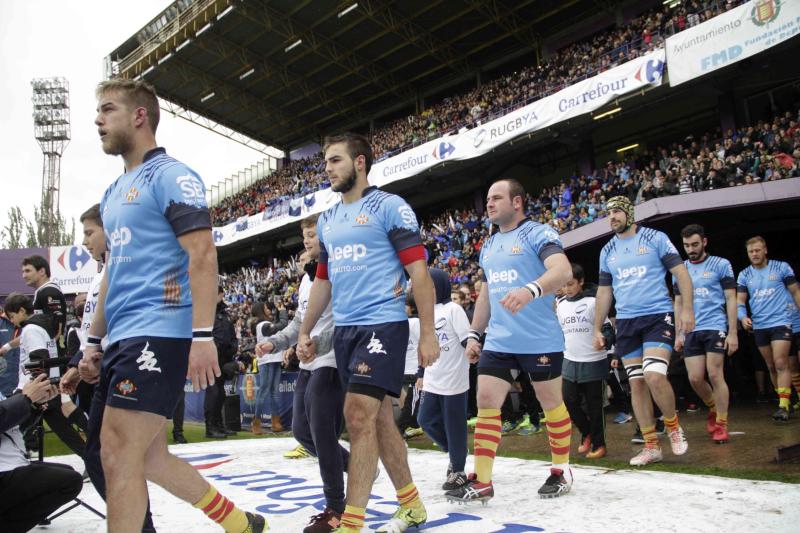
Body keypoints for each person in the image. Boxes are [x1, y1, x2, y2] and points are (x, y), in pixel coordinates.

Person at [81, 78, 264, 532]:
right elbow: (112, 274)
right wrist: (92, 340)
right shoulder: (112, 193)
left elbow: (202, 255)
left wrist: (202, 336)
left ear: (140, 116)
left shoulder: (171, 175)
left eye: (108, 110)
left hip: (159, 330)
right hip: (124, 334)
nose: (97, 120)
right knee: (150, 457)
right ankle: (240, 523)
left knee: (116, 452)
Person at [297, 132, 439, 533]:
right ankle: (411, 504)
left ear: (360, 162)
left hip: (383, 323)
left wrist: (427, 333)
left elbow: (419, 272)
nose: (328, 168)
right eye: (325, 161)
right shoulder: (327, 220)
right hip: (345, 331)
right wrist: (305, 331)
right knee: (377, 423)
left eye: (336, 160)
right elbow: (323, 282)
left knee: (356, 416)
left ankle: (351, 522)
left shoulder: (390, 207)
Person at [446, 178, 574, 504]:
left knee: (550, 404)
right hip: (501, 340)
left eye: (496, 198)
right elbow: (487, 293)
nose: (488, 204)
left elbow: (563, 271)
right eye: (487, 198)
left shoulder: (538, 233)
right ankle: (484, 480)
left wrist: (530, 290)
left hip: (540, 338)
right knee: (487, 399)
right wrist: (475, 333)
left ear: (516, 202)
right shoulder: (488, 245)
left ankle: (562, 469)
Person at [61, 203, 158, 532]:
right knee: (105, 457)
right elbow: (93, 326)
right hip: (104, 367)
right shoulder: (101, 275)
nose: (85, 241)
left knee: (110, 457)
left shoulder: (127, 267)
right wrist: (80, 361)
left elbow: (132, 321)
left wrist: (100, 357)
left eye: (90, 232)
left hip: (124, 367)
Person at [255, 215, 349, 533]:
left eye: (312, 235)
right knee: (301, 432)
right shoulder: (308, 280)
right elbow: (298, 324)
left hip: (331, 360)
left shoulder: (338, 270)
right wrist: (275, 342)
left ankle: (336, 509)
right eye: (305, 236)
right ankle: (359, 467)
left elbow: (344, 321)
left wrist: (316, 344)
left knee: (322, 435)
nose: (307, 241)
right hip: (309, 360)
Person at [593, 195, 693, 467]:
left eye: (616, 211)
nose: (611, 216)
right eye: (608, 212)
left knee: (653, 375)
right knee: (636, 383)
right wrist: (596, 327)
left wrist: (687, 310)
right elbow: (604, 291)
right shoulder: (607, 250)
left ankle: (672, 426)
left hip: (657, 317)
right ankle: (652, 446)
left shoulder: (655, 238)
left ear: (628, 213)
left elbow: (681, 274)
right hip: (626, 322)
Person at [674, 224, 738, 443]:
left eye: (694, 244)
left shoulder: (721, 264)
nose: (690, 249)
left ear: (704, 242)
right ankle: (713, 406)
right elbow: (678, 303)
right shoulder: (680, 269)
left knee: (714, 374)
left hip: (715, 325)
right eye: (686, 245)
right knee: (694, 378)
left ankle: (721, 423)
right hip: (691, 329)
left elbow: (731, 299)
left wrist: (733, 333)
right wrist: (678, 334)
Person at [4, 293, 88, 460]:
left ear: (21, 311)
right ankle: (93, 458)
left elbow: (39, 358)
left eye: (12, 317)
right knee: (64, 430)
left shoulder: (30, 329)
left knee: (16, 428)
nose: (12, 322)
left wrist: (39, 390)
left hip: (32, 388)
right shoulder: (43, 327)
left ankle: (26, 464)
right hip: (46, 386)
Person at [0, 374, 83, 533]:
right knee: (68, 481)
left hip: (10, 464)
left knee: (66, 474)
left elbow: (12, 425)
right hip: (4, 471)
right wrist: (25, 399)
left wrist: (34, 405)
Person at [416, 268, 471, 491]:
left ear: (440, 286)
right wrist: (421, 374)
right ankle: (457, 453)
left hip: (454, 377)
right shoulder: (425, 312)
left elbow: (467, 339)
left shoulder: (453, 309)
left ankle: (458, 470)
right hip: (432, 377)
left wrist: (475, 355)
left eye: (430, 285)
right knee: (425, 419)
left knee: (454, 426)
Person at [736, 236, 800, 421]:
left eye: (757, 250)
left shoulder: (781, 267)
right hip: (760, 326)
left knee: (781, 362)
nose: (754, 254)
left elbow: (795, 292)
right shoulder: (744, 274)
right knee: (771, 365)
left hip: (781, 322)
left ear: (765, 250)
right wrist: (742, 317)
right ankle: (786, 400)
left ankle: (783, 406)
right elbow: (740, 301)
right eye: (751, 251)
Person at [557, 263, 611, 459]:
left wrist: (604, 340)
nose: (567, 288)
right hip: (569, 360)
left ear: (580, 282)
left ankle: (599, 444)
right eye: (564, 285)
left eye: (571, 284)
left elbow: (607, 329)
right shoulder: (561, 305)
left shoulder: (593, 302)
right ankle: (586, 432)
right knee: (568, 400)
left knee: (594, 405)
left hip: (593, 360)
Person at [205, 286, 240, 439]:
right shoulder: (205, 313)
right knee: (213, 393)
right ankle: (210, 427)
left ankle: (219, 425)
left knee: (220, 394)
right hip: (212, 358)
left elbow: (232, 336)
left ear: (221, 294)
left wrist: (232, 349)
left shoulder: (224, 314)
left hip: (224, 359)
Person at [252, 301, 288, 434]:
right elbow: (283, 325)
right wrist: (283, 311)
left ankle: (275, 422)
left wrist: (279, 314)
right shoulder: (262, 325)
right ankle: (256, 421)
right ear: (261, 310)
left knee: (274, 392)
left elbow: (278, 327)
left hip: (275, 358)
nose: (269, 310)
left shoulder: (267, 324)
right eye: (266, 308)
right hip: (266, 360)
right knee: (264, 391)